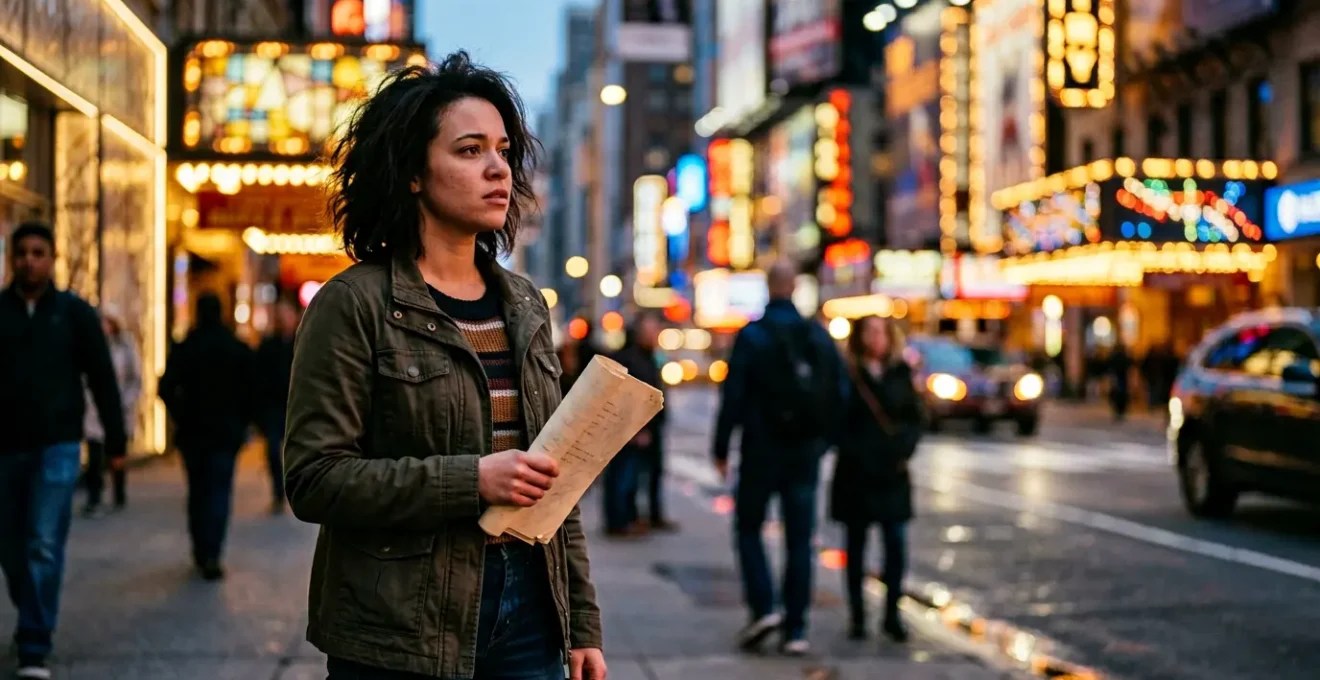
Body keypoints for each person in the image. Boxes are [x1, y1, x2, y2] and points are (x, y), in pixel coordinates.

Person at [282, 52, 605, 680]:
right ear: (412, 174)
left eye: (504, 151)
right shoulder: (354, 304)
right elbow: (315, 478)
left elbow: (556, 481)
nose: (498, 169)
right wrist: (472, 480)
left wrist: (582, 623)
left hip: (529, 613)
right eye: (469, 150)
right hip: (400, 622)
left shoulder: (526, 305)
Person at [0, 222, 126, 679]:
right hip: (6, 446)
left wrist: (116, 442)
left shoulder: (74, 313)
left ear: (51, 259)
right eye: (22, 253)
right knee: (11, 547)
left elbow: (102, 377)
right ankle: (33, 608)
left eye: (38, 253)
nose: (29, 261)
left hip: (58, 445)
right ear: (11, 258)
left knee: (43, 542)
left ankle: (35, 642)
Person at [712, 260, 843, 656]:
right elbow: (840, 393)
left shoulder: (753, 335)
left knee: (749, 527)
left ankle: (764, 607)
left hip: (761, 449)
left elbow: (733, 395)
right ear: (795, 288)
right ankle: (796, 627)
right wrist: (824, 442)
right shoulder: (817, 335)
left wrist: (721, 447)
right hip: (804, 452)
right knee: (800, 539)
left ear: (769, 288)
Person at [830, 315, 923, 644]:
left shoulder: (900, 373)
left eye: (881, 332)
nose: (875, 338)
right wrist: (857, 451)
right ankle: (857, 614)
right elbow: (836, 420)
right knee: (856, 547)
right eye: (869, 332)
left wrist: (902, 449)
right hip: (856, 473)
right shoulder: (847, 374)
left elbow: (915, 417)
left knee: (895, 545)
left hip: (892, 472)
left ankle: (891, 614)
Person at [158, 292, 258, 581]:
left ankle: (201, 548)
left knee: (198, 491)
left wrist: (180, 415)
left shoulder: (187, 347)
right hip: (225, 433)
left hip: (193, 433)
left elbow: (166, 387)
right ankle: (212, 552)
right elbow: (253, 390)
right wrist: (244, 421)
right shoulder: (236, 348)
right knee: (219, 492)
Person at [604, 311, 671, 537]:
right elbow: (626, 398)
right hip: (631, 430)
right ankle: (619, 521)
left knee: (641, 475)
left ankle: (633, 518)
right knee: (624, 476)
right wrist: (636, 428)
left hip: (649, 427)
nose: (655, 335)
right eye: (651, 330)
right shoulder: (629, 358)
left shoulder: (649, 356)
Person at [82, 306, 142, 517]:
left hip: (119, 406)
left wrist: (126, 400)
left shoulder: (125, 347)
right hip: (94, 408)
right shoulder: (92, 346)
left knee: (116, 453)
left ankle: (118, 492)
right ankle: (94, 496)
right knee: (95, 453)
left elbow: (135, 378)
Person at [255, 298, 300, 514]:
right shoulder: (268, 345)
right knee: (273, 451)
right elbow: (258, 375)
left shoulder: (300, 342)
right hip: (274, 407)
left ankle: (293, 490)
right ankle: (278, 492)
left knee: (295, 451)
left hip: (295, 405)